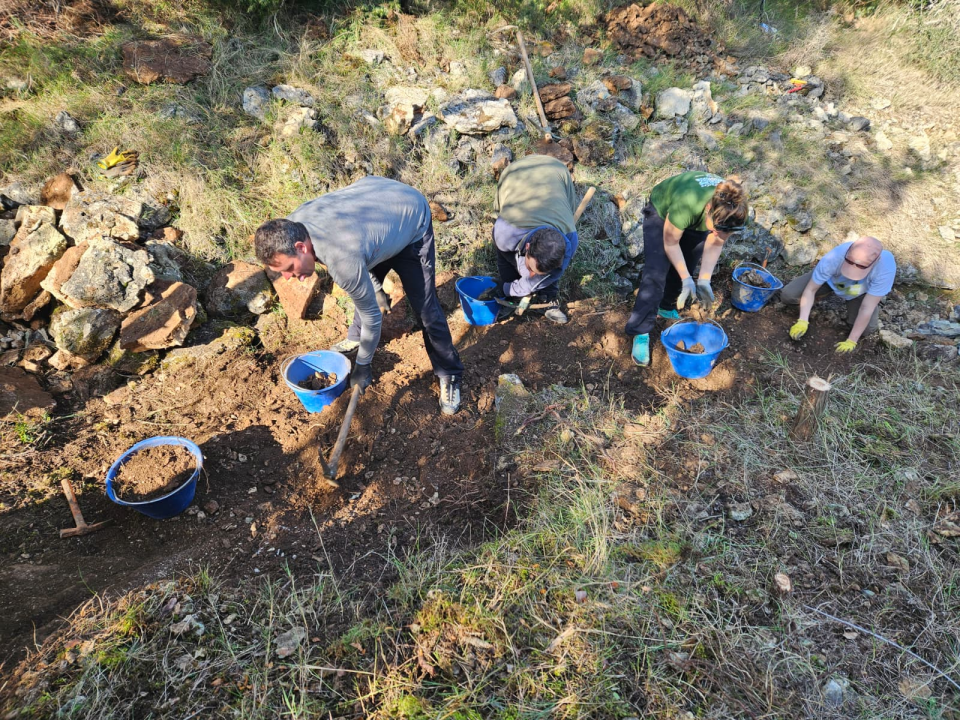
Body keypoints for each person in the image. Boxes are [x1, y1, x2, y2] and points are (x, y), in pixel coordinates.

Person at [254, 176, 464, 415]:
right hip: (375, 218)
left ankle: (450, 373)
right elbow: (358, 266)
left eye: (289, 268)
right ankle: (357, 337)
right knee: (362, 290)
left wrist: (363, 366)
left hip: (409, 217)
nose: (289, 277)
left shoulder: (341, 258)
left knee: (425, 308)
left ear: (301, 247)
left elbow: (374, 316)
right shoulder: (289, 228)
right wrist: (373, 288)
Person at [624, 172, 748, 366]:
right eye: (716, 228)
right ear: (708, 208)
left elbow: (715, 243)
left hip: (697, 219)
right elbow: (670, 244)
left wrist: (704, 280)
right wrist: (687, 280)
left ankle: (666, 307)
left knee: (688, 263)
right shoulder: (687, 205)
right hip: (663, 210)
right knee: (656, 272)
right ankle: (640, 331)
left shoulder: (734, 214)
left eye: (724, 231)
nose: (718, 234)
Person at [487, 154, 580, 324]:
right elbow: (504, 257)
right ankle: (510, 299)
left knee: (544, 273)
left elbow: (549, 274)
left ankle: (548, 299)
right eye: (531, 267)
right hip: (515, 173)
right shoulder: (504, 233)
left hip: (556, 170)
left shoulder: (570, 241)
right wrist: (507, 287)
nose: (530, 274)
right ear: (528, 246)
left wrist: (527, 284)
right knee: (509, 259)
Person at [781, 235, 895, 353]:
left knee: (867, 330)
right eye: (849, 263)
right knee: (789, 295)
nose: (853, 268)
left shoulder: (885, 269)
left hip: (859, 293)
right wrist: (802, 320)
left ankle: (851, 308)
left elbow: (867, 308)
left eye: (860, 267)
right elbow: (810, 290)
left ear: (876, 260)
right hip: (830, 282)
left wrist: (852, 340)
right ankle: (822, 296)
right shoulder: (834, 257)